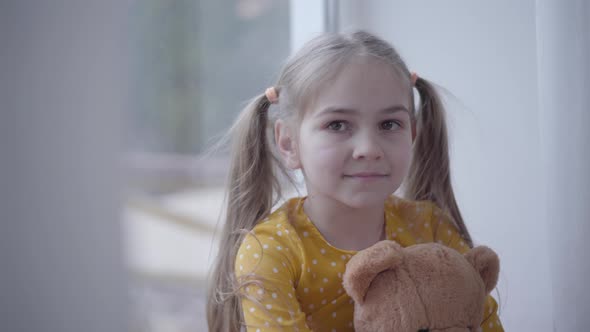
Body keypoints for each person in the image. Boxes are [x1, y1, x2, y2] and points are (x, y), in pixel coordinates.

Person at [206, 30, 503, 332]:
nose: (369, 149)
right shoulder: (272, 252)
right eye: (337, 125)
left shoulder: (432, 229)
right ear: (289, 143)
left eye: (389, 124)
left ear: (412, 134)